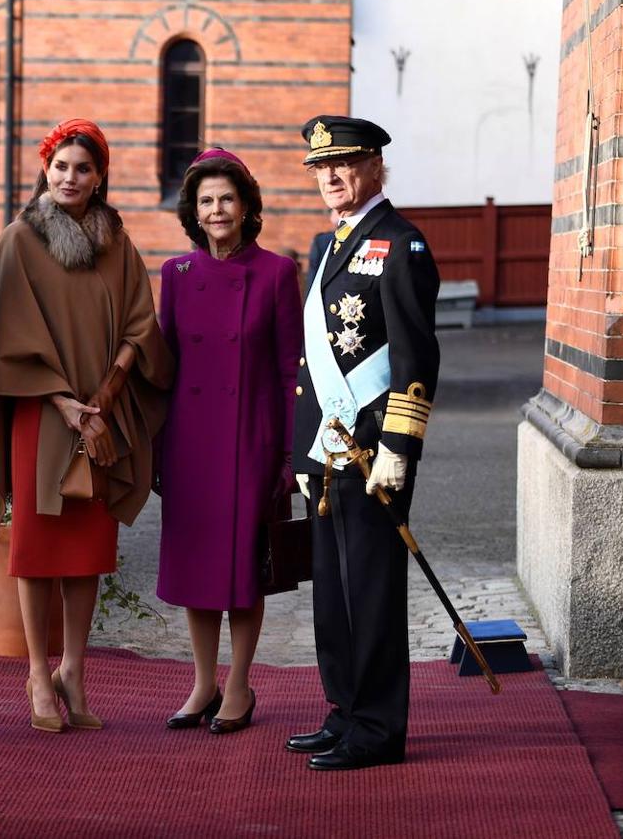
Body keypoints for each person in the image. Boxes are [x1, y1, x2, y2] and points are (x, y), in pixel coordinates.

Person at [0, 119, 172, 733]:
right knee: (36, 547)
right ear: (45, 169)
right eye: (61, 166)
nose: (71, 177)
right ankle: (36, 671)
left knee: (88, 548)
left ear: (100, 176)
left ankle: (75, 670)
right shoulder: (18, 240)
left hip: (101, 416)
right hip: (41, 412)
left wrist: (107, 395)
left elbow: (142, 322)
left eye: (83, 168)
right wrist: (65, 403)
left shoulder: (117, 242)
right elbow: (2, 332)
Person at [288, 115, 441, 771]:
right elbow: (309, 361)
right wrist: (302, 452)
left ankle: (378, 728)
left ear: (375, 166)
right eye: (321, 168)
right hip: (328, 450)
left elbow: (415, 357)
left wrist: (398, 451)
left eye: (343, 164)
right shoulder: (327, 244)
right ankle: (345, 709)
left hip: (372, 451)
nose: (330, 177)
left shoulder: (401, 244)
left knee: (372, 593)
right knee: (333, 592)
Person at [154, 148, 301, 734]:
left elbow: (292, 369)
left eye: (227, 199)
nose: (217, 210)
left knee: (244, 565)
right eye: (206, 201)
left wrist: (290, 453)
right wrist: (157, 446)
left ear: (246, 206)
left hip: (250, 437)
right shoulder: (176, 274)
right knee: (196, 564)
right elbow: (165, 369)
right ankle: (202, 682)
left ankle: (239, 683)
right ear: (194, 209)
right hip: (190, 440)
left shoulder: (276, 273)